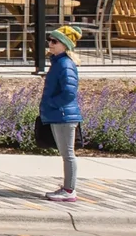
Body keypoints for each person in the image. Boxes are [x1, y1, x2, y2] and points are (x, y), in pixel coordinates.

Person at [39, 25, 82, 203]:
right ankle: (67, 187)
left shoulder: (65, 64)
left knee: (68, 154)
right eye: (49, 40)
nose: (50, 43)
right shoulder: (58, 62)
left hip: (64, 115)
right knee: (66, 153)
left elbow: (70, 92)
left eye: (54, 41)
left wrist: (51, 103)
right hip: (59, 114)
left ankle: (69, 190)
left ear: (65, 45)